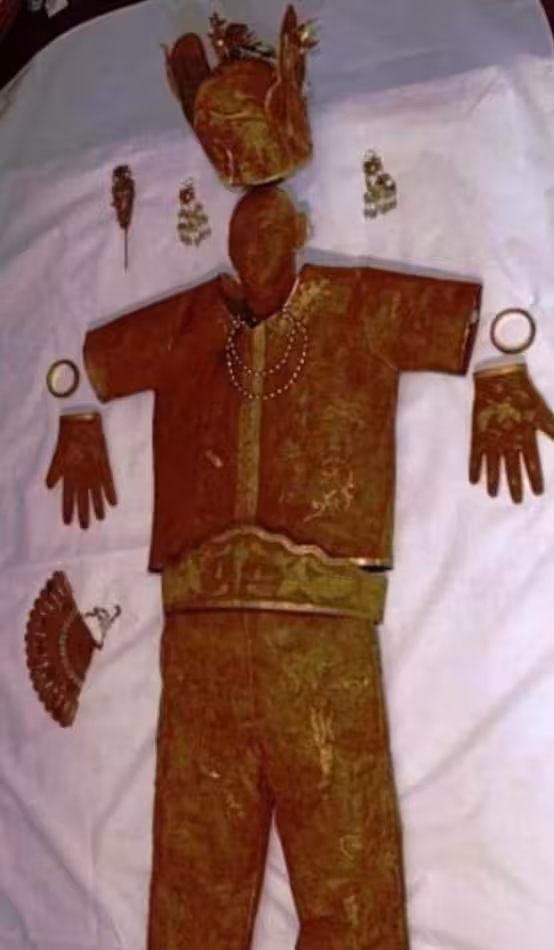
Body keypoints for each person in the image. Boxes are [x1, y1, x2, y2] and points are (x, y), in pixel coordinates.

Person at [82, 183, 481, 949]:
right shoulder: (190, 324)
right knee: (196, 879)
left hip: (325, 633)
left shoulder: (357, 305)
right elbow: (92, 363)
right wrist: (75, 419)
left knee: (349, 879)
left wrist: (501, 377)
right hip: (200, 637)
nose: (252, 248)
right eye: (241, 233)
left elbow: (469, 323)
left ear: (300, 232)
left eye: (270, 231)